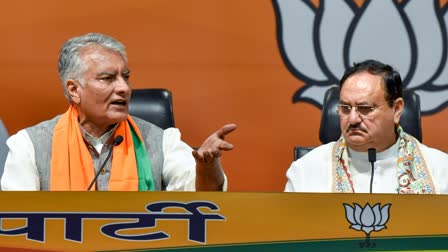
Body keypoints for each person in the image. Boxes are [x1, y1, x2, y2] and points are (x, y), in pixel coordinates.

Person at [1, 32, 237, 191]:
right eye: (107, 78)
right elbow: (17, 222)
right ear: (74, 89)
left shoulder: (162, 141)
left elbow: (203, 200)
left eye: (125, 77)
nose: (124, 88)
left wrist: (207, 168)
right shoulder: (29, 145)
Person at [285, 59, 448, 194]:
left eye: (365, 108)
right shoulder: (305, 172)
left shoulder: (441, 170)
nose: (353, 119)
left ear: (396, 109)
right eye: (345, 108)